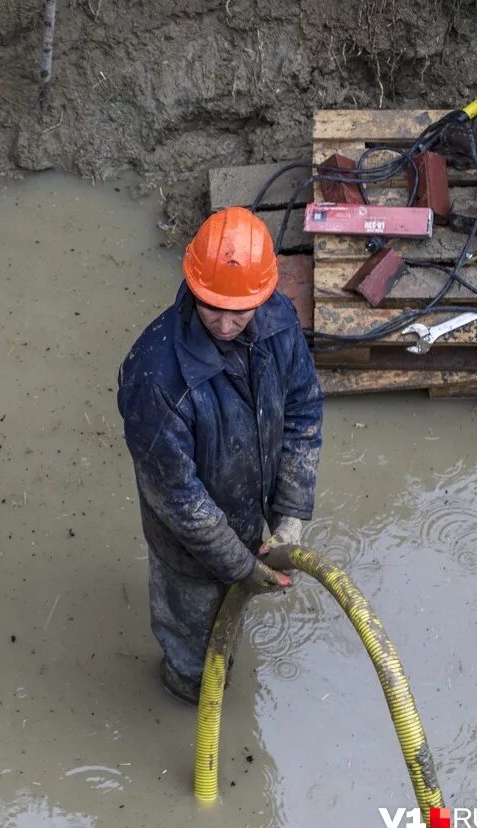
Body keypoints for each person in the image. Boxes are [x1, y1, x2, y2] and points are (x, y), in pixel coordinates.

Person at [116, 207, 324, 705]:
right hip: (189, 546)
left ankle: (219, 645)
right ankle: (189, 694)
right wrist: (239, 565)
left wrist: (291, 511)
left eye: (241, 308)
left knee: (227, 618)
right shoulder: (156, 378)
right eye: (212, 307)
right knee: (193, 643)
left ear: (261, 293)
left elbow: (303, 409)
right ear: (193, 283)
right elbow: (178, 498)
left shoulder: (276, 321)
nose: (227, 324)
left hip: (253, 518)